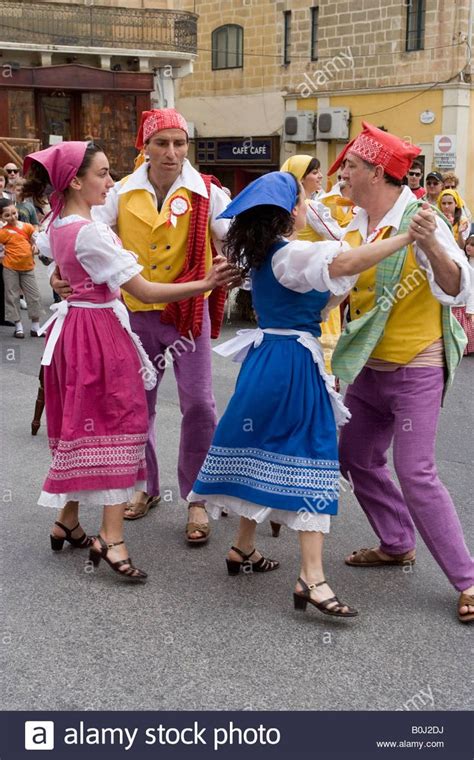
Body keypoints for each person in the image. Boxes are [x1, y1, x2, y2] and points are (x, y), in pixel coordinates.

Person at [189, 171, 418, 619]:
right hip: (293, 364)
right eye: (301, 200)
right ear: (292, 211)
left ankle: (243, 548)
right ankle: (311, 578)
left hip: (266, 362)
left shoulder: (263, 257)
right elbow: (348, 264)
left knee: (261, 449)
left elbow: (317, 299)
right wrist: (406, 236)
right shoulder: (292, 254)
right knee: (311, 455)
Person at [25, 141, 237, 583]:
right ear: (77, 181)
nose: (110, 181)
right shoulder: (92, 232)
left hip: (74, 330)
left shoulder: (61, 223)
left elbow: (61, 259)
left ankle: (68, 518)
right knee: (122, 421)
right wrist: (205, 284)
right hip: (101, 331)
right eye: (102, 174)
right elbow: (144, 290)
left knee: (87, 420)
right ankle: (112, 536)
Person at [326, 122, 474, 624]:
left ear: (375, 172)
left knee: (416, 471)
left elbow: (457, 287)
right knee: (355, 456)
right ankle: (396, 542)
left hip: (417, 366)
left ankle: (468, 579)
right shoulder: (354, 219)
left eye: (350, 165)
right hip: (370, 367)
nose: (342, 172)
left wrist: (432, 245)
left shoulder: (422, 217)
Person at [0, 199, 41, 338]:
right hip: (10, 267)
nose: (12, 217)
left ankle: (36, 326)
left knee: (34, 296)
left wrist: (36, 246)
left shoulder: (27, 227)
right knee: (12, 296)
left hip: (28, 267)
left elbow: (37, 239)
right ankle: (18, 326)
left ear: (17, 210)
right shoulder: (2, 232)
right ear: (1, 217)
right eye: (7, 215)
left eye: (14, 213)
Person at [452, 229, 474, 355]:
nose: (469, 247)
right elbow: (457, 247)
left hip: (466, 303)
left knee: (466, 327)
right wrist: (460, 234)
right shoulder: (463, 259)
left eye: (473, 245)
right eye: (468, 244)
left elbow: (472, 289)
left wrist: (470, 309)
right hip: (458, 300)